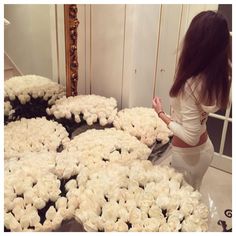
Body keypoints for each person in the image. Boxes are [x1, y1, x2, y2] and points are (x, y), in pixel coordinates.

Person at [152, 10, 231, 190]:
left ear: (195, 42)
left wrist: (161, 114)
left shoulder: (191, 84)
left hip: (187, 156)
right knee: (195, 194)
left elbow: (190, 137)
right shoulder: (219, 73)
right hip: (206, 149)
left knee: (184, 206)